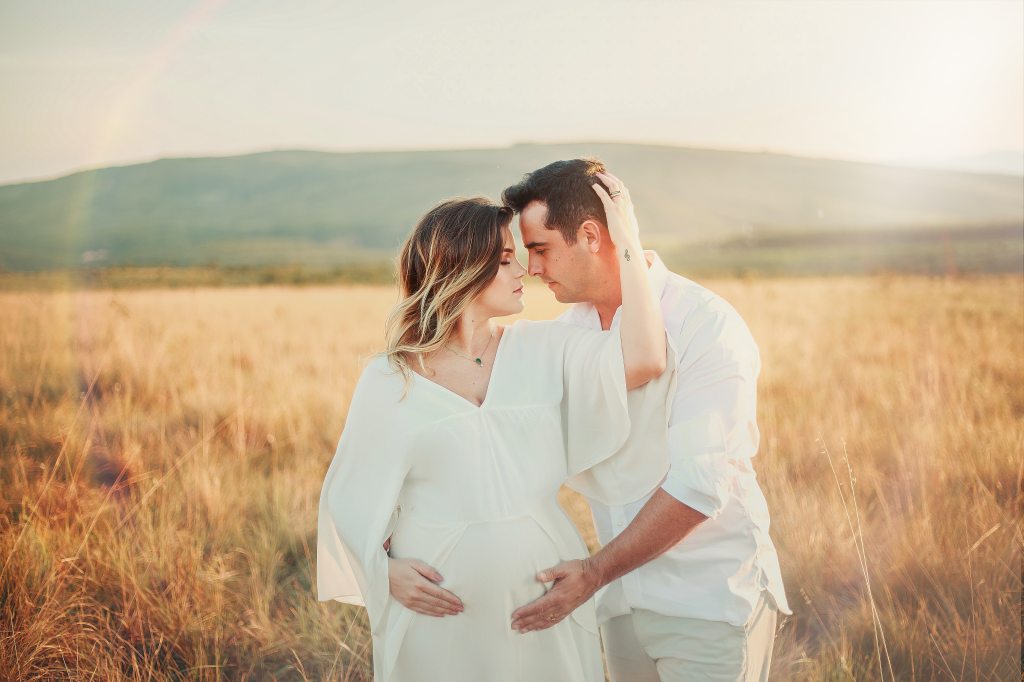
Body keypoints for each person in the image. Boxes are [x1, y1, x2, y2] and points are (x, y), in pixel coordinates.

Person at [316, 176, 675, 682]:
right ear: (461, 270)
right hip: (438, 610)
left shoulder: (543, 348)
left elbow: (645, 358)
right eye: (506, 259)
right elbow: (347, 497)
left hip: (543, 592)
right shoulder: (389, 378)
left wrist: (628, 240)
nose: (524, 270)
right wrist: (382, 571)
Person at [502, 158, 792, 682]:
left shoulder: (706, 323)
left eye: (541, 248)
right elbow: (505, 440)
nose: (532, 269)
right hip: (617, 607)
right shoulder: (570, 332)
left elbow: (701, 485)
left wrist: (593, 572)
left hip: (708, 602)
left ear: (591, 235)